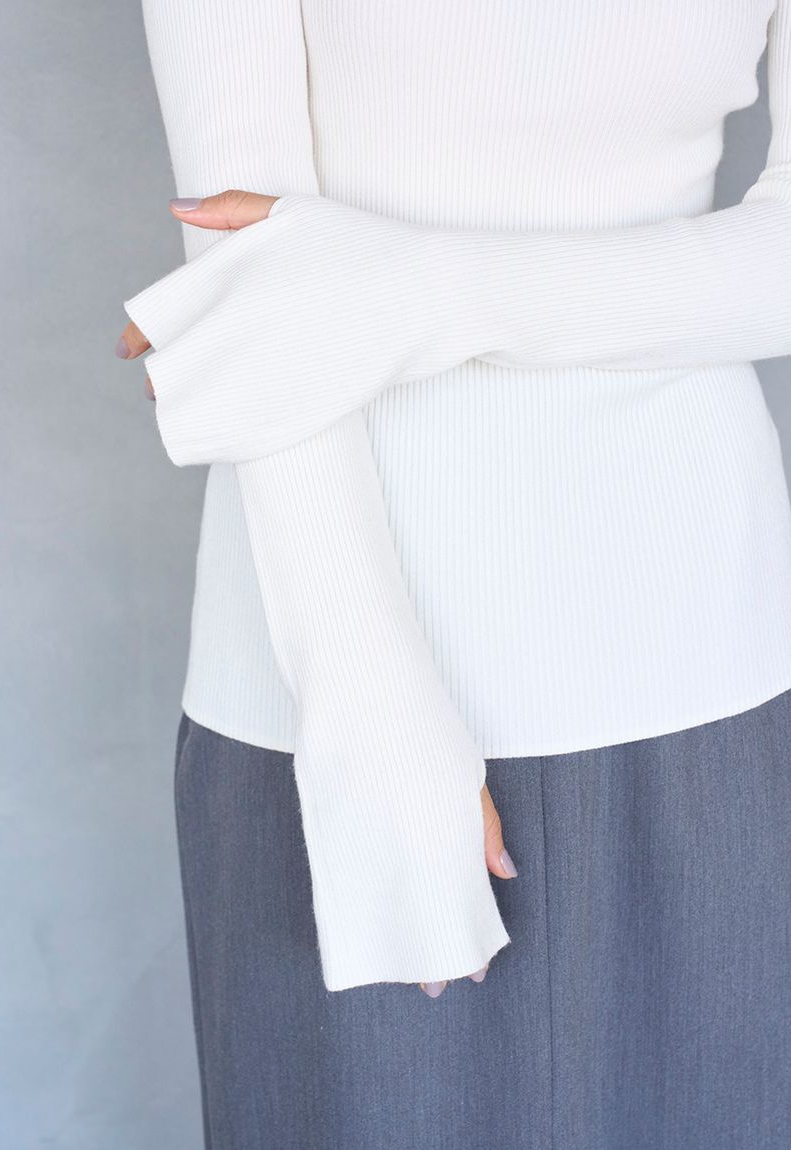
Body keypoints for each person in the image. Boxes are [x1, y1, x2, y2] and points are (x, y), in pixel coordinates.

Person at [115, 1, 791, 1146]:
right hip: (317, 688)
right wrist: (363, 711)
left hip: (707, 667)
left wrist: (421, 289)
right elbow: (244, 263)